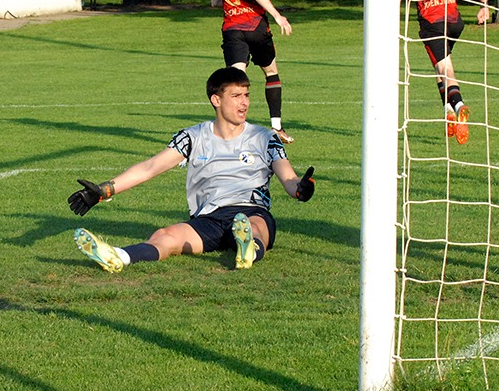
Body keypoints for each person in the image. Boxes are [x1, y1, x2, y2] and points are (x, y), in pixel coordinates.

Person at [67, 67, 316, 273]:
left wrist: (300, 190)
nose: (244, 103)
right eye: (236, 96)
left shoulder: (265, 138)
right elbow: (151, 167)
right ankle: (119, 256)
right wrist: (104, 190)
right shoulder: (193, 137)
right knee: (165, 236)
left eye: (247, 95)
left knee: (253, 226)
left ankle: (248, 249)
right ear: (216, 100)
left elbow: (289, 178)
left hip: (251, 210)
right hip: (209, 218)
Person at [404, 0, 490, 144]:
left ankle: (459, 105)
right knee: (441, 66)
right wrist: (484, 5)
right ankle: (448, 112)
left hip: (433, 22)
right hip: (454, 20)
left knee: (446, 70)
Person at [211, 0, 295, 144]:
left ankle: (230, 130)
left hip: (232, 29)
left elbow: (215, 1)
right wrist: (277, 16)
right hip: (255, 28)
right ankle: (276, 127)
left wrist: (233, 4)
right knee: (271, 73)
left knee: (235, 81)